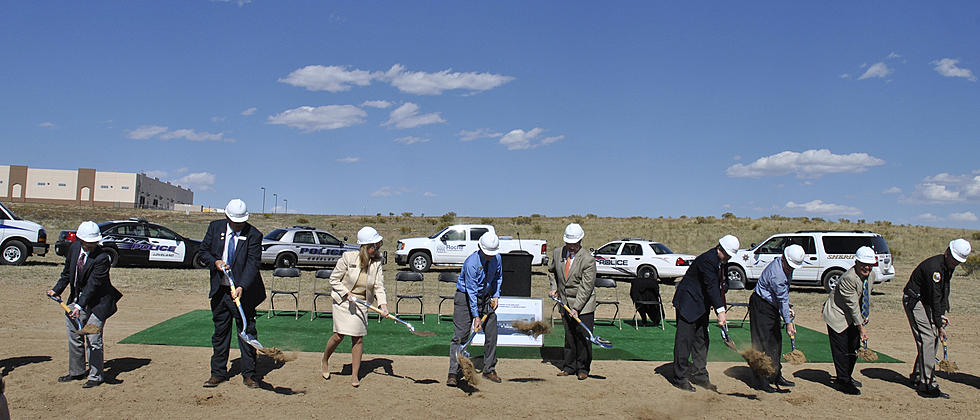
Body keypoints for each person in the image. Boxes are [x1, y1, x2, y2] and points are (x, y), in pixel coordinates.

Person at [197, 199, 266, 389]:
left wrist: (242, 286)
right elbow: (203, 252)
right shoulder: (215, 227)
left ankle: (249, 374)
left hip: (244, 294)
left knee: (247, 331)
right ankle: (217, 373)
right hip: (221, 291)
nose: (238, 224)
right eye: (235, 221)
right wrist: (216, 262)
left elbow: (253, 264)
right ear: (227, 216)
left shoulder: (253, 235)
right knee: (220, 332)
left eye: (241, 221)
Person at [47, 221, 123, 389]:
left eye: (94, 242)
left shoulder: (102, 258)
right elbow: (67, 273)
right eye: (89, 242)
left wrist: (79, 306)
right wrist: (56, 289)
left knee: (93, 337)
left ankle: (96, 376)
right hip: (77, 298)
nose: (92, 245)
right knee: (74, 334)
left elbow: (93, 285)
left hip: (98, 304)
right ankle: (77, 371)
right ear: (81, 240)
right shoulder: (74, 249)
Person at [903, 238, 971, 399]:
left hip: (926, 300)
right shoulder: (935, 269)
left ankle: (918, 375)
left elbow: (942, 293)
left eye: (958, 262)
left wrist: (940, 316)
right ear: (948, 252)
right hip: (914, 300)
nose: (956, 264)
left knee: (931, 337)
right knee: (927, 338)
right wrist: (939, 325)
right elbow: (935, 297)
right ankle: (927, 384)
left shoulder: (948, 266)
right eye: (954, 260)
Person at [321, 226, 388, 387]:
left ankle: (355, 375)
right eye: (373, 246)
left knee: (357, 338)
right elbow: (334, 280)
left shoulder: (377, 263)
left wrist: (383, 305)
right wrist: (346, 294)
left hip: (362, 303)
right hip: (343, 301)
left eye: (377, 246)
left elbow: (379, 286)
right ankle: (324, 360)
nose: (375, 249)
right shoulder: (348, 258)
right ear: (364, 247)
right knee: (339, 335)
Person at [670, 235, 738, 392]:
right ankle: (679, 378)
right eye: (727, 254)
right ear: (719, 248)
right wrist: (721, 311)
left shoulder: (723, 262)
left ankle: (700, 375)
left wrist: (719, 301)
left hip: (702, 304)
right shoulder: (707, 260)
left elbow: (721, 285)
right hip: (688, 302)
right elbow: (711, 286)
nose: (728, 258)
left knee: (701, 340)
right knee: (684, 341)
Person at [447, 232, 503, 387]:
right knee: (460, 336)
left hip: (486, 298)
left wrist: (496, 295)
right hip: (465, 298)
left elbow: (498, 277)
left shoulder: (497, 258)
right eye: (487, 253)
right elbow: (471, 292)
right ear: (480, 248)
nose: (490, 256)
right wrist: (476, 317)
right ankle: (454, 372)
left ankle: (489, 369)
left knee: (492, 332)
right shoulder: (471, 263)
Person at [822, 246, 877, 395]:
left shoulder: (871, 275)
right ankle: (843, 381)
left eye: (870, 264)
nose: (867, 267)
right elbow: (852, 305)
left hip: (853, 316)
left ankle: (847, 376)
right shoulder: (848, 278)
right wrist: (861, 328)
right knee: (841, 350)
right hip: (837, 315)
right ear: (856, 262)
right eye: (863, 264)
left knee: (853, 347)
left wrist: (864, 315)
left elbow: (865, 296)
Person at [749, 244, 803, 391]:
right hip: (761, 305)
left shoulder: (785, 267)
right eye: (789, 266)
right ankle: (761, 380)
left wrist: (787, 310)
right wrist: (788, 322)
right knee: (762, 343)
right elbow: (782, 299)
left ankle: (775, 374)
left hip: (770, 305)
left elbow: (782, 298)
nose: (790, 269)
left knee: (775, 341)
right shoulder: (777, 274)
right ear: (783, 258)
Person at [548, 223, 597, 380]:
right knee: (569, 336)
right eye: (569, 243)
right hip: (565, 303)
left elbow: (586, 287)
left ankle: (583, 368)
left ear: (580, 241)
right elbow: (552, 272)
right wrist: (554, 287)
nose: (571, 247)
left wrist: (576, 308)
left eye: (574, 244)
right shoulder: (557, 253)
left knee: (582, 337)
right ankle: (569, 366)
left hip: (584, 304)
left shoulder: (588, 260)